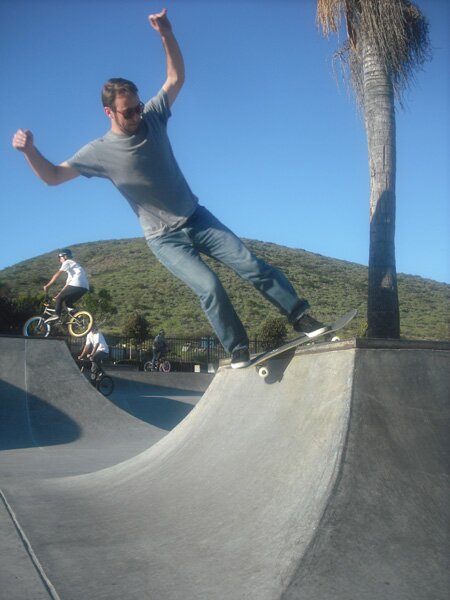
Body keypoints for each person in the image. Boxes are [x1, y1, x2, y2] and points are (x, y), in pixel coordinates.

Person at [12, 9, 328, 369]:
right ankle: (238, 349)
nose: (136, 116)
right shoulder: (97, 152)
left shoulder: (153, 117)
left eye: (137, 107)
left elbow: (175, 77)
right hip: (163, 239)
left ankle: (302, 318)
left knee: (251, 265)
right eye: (127, 112)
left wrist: (166, 34)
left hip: (198, 217)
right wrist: (29, 151)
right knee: (208, 287)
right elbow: (53, 176)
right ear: (108, 113)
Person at [43, 249, 89, 323]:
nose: (60, 260)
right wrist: (58, 295)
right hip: (84, 287)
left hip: (77, 284)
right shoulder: (73, 270)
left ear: (64, 256)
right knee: (67, 302)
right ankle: (78, 318)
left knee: (60, 298)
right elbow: (67, 286)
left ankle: (57, 315)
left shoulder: (67, 262)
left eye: (60, 258)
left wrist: (48, 285)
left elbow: (58, 274)